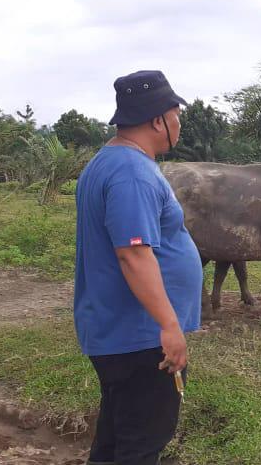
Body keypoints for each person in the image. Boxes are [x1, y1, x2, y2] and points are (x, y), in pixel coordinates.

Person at [74, 70, 203, 465]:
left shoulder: (108, 162)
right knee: (142, 444)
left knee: (116, 438)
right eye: (176, 114)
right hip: (141, 339)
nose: (179, 123)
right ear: (157, 119)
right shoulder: (132, 173)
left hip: (119, 333)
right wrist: (169, 325)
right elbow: (133, 254)